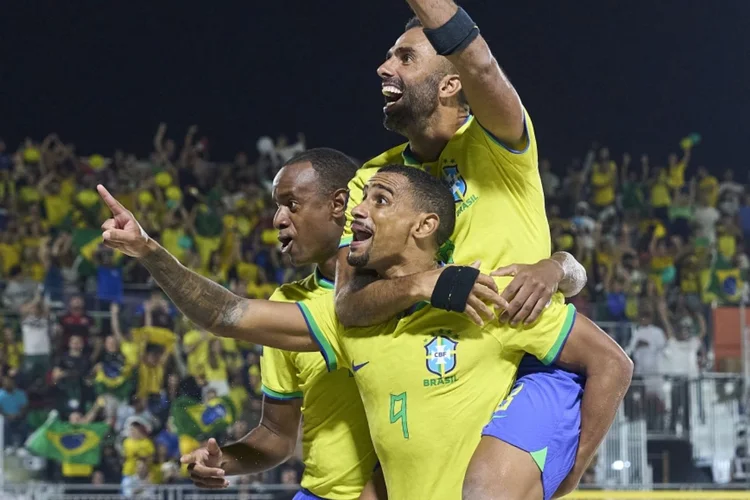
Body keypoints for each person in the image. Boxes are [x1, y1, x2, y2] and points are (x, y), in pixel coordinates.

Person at [98, 166, 632, 499]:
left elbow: (611, 363)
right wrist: (149, 251)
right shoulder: (348, 317)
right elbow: (229, 316)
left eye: (379, 199)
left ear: (424, 225)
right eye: (361, 198)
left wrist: (571, 476)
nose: (360, 208)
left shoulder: (485, 296)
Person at [331, 2, 607, 498]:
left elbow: (479, 62)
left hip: (528, 354)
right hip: (442, 366)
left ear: (449, 85)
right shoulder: (373, 181)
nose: (384, 67)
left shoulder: (498, 139)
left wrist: (559, 268)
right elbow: (347, 305)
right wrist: (423, 284)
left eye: (405, 58)